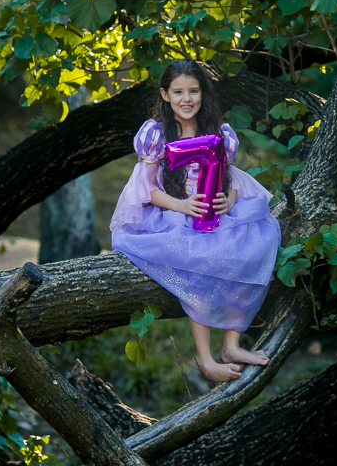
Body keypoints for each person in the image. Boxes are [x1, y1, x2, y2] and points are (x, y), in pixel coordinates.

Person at [110, 60, 281, 382]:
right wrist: (181, 206)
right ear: (164, 94)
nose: (186, 99)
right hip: (172, 211)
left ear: (203, 93)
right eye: (178, 92)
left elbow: (229, 180)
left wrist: (228, 201)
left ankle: (231, 343)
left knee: (259, 239)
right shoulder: (156, 134)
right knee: (202, 259)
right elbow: (145, 188)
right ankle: (204, 359)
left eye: (193, 91)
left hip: (211, 210)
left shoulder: (218, 134)